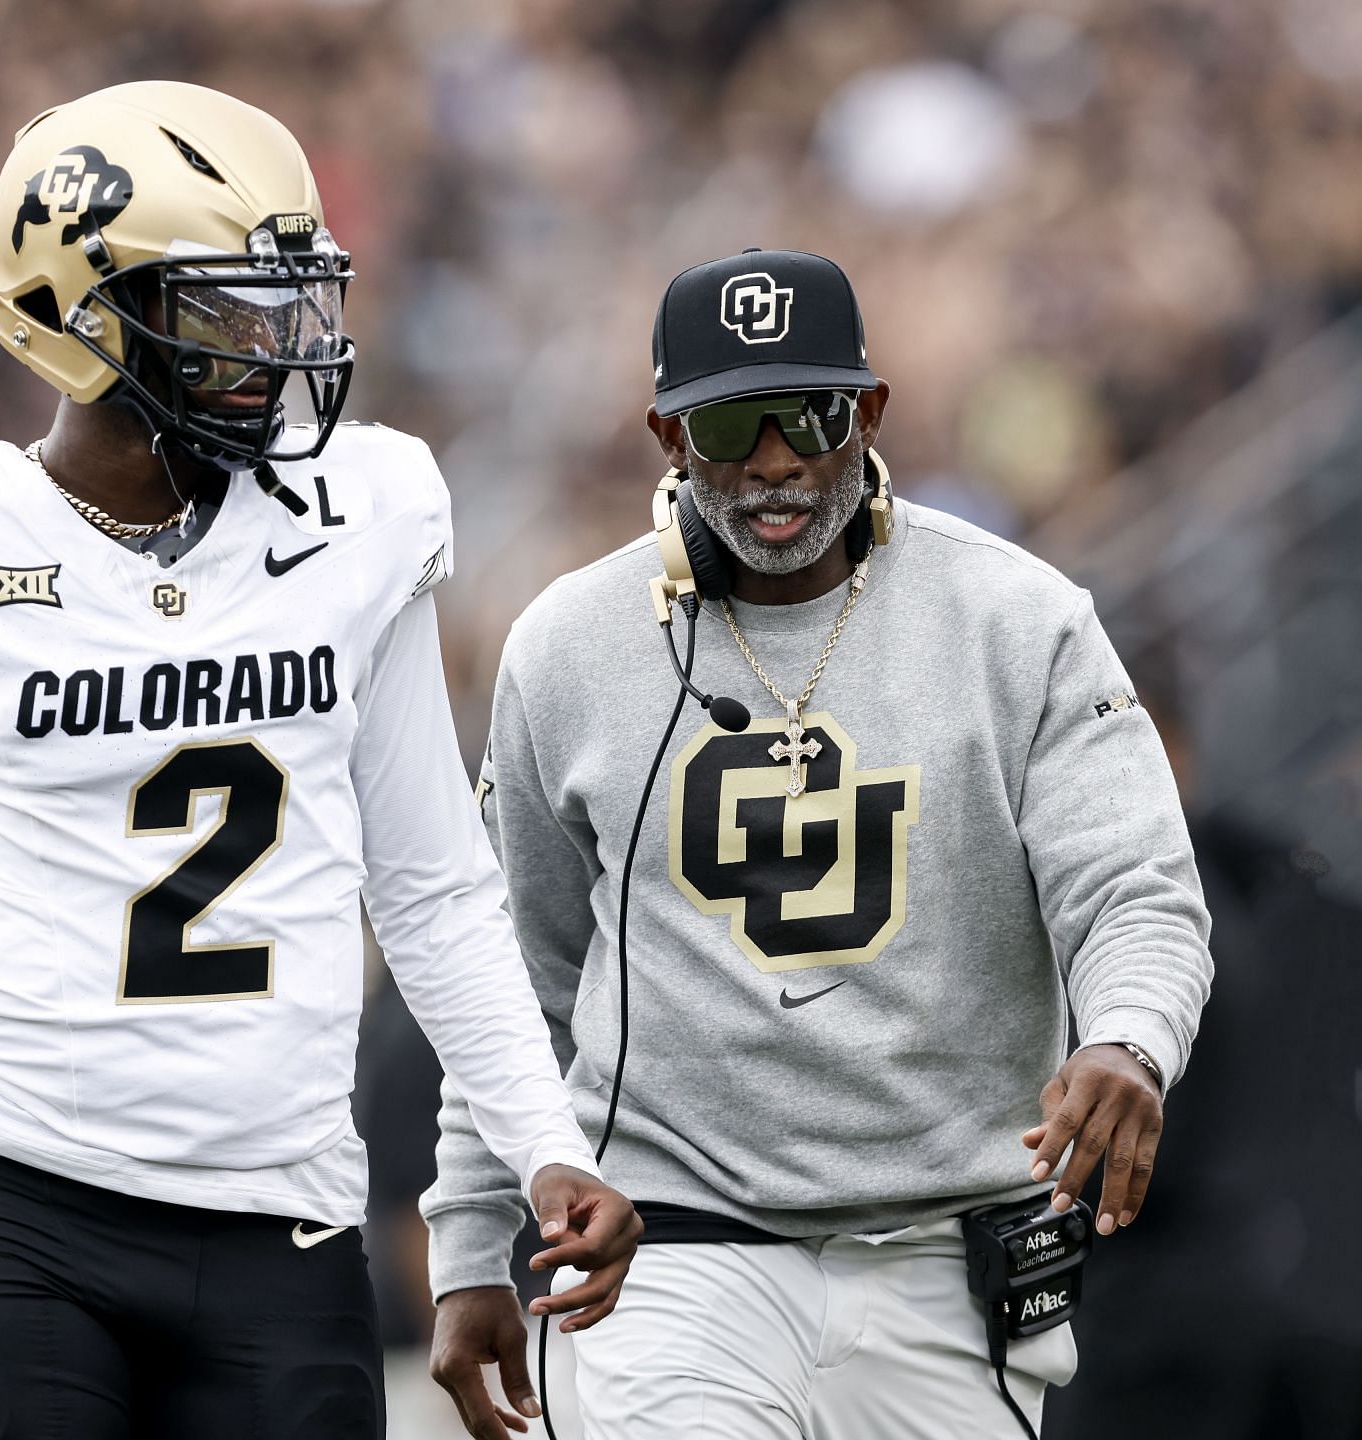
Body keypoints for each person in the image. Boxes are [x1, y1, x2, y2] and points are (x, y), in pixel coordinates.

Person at [0, 81, 640, 1440]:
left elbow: (433, 889)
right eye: (226, 311)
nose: (278, 347)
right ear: (79, 319)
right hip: (13, 1199)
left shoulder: (358, 520)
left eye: (293, 301)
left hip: (283, 1210)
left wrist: (544, 1147)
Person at [422, 248, 1213, 1439]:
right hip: (668, 1242)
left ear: (871, 413)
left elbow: (1137, 892)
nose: (777, 459)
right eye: (734, 423)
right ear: (669, 437)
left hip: (947, 1252)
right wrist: (472, 1239)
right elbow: (512, 978)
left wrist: (1128, 1042)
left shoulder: (1021, 618)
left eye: (810, 413)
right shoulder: (566, 647)